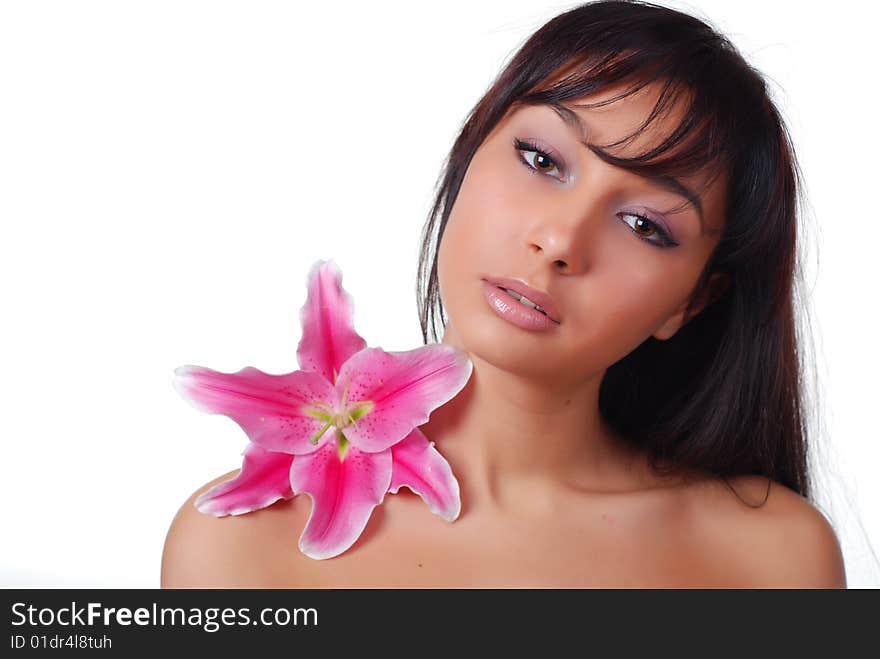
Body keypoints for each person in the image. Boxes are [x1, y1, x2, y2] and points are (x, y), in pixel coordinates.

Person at [161, 0, 847, 588]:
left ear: (691, 301)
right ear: (469, 151)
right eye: (542, 160)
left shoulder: (772, 559)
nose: (559, 241)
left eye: (645, 224)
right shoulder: (239, 550)